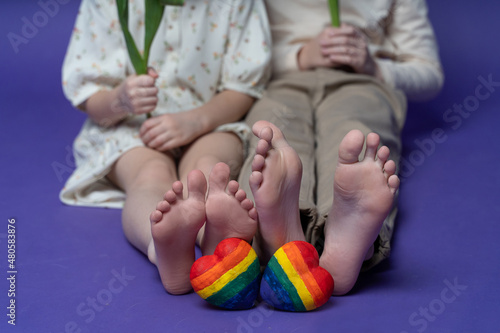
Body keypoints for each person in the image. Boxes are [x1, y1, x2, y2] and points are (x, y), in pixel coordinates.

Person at [60, 0, 271, 295]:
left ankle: (213, 235)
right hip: (133, 128)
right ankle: (159, 243)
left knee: (208, 168)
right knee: (149, 175)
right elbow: (90, 99)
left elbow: (244, 87)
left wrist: (196, 121)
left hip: (210, 119)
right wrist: (120, 100)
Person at [238, 0, 444, 295]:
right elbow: (235, 58)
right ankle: (293, 233)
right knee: (276, 142)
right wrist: (298, 57)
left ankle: (338, 235)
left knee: (353, 134)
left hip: (362, 82)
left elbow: (429, 74)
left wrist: (374, 66)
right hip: (279, 82)